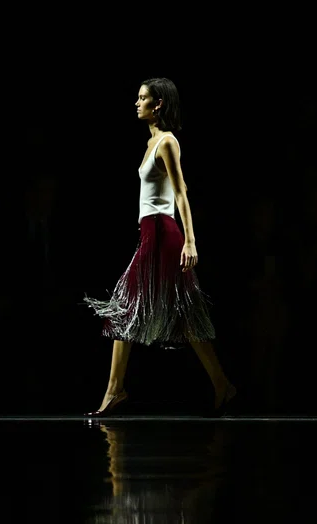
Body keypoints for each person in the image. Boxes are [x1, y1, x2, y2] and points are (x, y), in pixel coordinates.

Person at [84, 78, 236, 417]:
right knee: (181, 315)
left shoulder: (167, 142)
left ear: (159, 104)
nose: (136, 103)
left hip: (164, 234)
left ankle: (114, 390)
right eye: (137, 98)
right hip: (150, 233)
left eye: (142, 98)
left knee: (127, 308)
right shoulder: (152, 143)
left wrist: (191, 240)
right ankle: (222, 384)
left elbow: (181, 192)